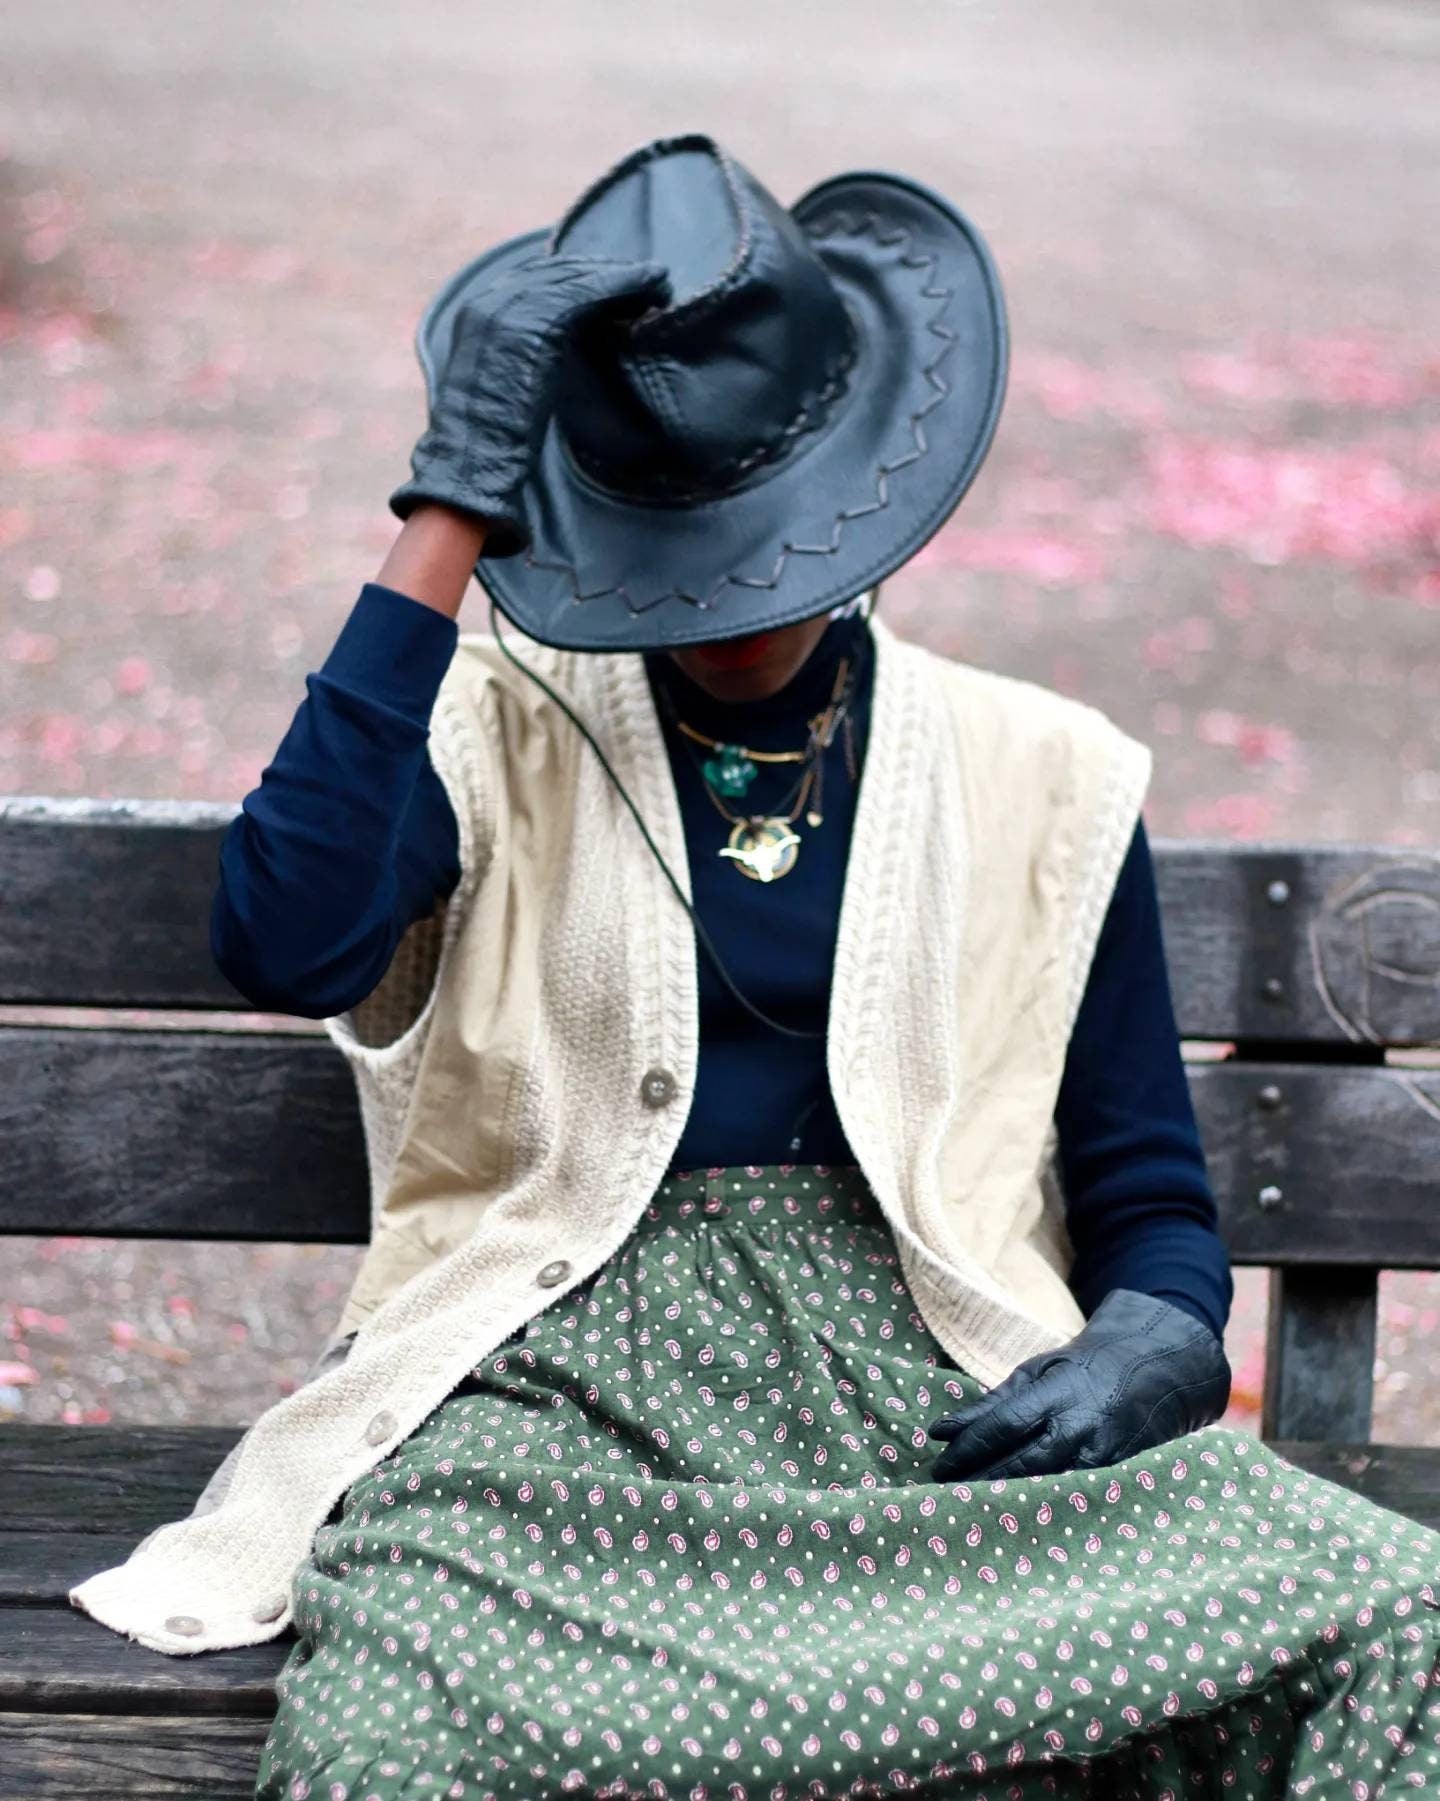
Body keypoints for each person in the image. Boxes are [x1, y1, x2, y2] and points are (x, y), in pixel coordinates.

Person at [69, 134, 1440, 1799]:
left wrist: (1158, 1329)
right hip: (555, 1411)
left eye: (756, 540)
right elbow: (283, 937)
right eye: (674, 553)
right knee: (383, 1746)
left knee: (1405, 1618)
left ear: (861, 483)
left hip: (930, 1411)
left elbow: (1147, 1188)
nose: (721, 604)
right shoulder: (491, 727)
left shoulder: (1044, 775)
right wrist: (448, 505)